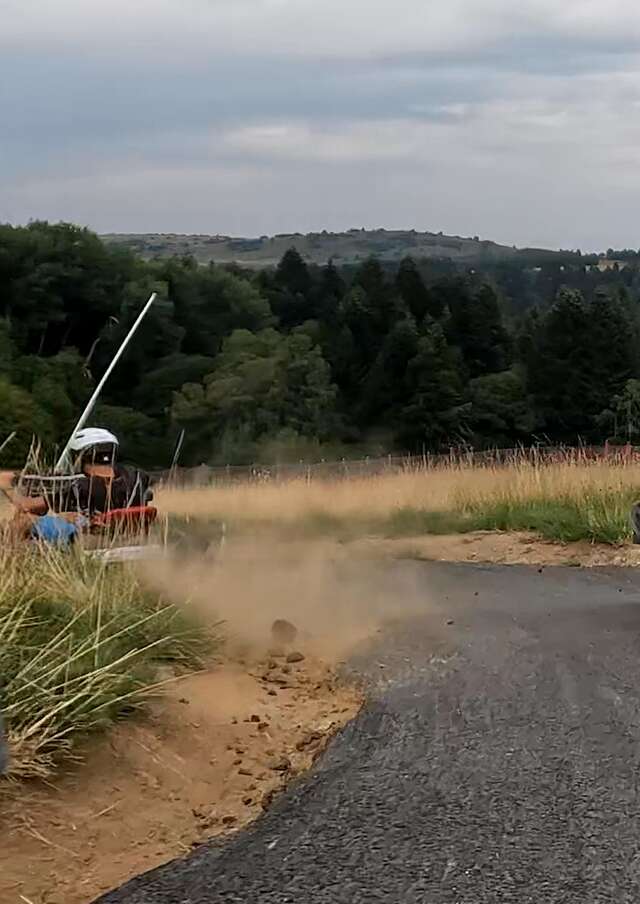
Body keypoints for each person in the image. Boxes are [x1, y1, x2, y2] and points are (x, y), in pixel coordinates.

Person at [0, 428, 153, 544]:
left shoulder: (80, 487)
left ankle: (9, 557)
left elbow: (26, 505)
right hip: (127, 538)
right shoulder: (137, 478)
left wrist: (6, 484)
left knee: (24, 520)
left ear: (83, 456)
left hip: (89, 539)